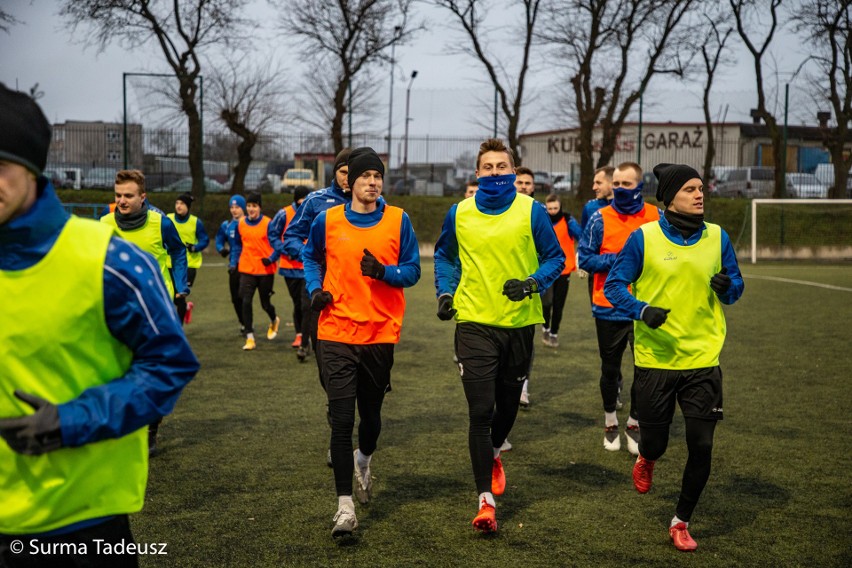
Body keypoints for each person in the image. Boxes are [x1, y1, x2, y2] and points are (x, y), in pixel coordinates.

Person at [0, 82, 198, 567]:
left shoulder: (108, 258)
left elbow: (170, 365)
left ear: (30, 170)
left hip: (82, 525)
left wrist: (71, 421)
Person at [604, 163, 744, 552]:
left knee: (701, 445)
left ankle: (681, 520)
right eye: (689, 189)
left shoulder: (718, 237)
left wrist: (727, 286)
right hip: (656, 360)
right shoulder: (643, 238)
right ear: (668, 198)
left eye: (701, 188)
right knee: (657, 443)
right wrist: (641, 309)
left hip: (703, 359)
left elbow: (736, 289)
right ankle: (646, 457)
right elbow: (614, 286)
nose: (700, 195)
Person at [434, 138, 564, 534]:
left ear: (513, 171)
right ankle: (484, 501)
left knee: (505, 409)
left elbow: (556, 259)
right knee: (479, 410)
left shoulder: (532, 212)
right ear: (477, 174)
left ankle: (493, 453)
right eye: (487, 167)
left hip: (519, 324)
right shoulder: (459, 213)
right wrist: (445, 292)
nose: (494, 173)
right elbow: (445, 256)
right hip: (473, 322)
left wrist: (530, 284)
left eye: (501, 167)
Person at [302, 147, 420, 538]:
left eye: (378, 176)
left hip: (378, 334)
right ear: (349, 181)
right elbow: (311, 256)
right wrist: (316, 289)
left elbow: (413, 271)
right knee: (340, 420)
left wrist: (385, 272)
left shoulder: (399, 220)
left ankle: (363, 460)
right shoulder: (327, 219)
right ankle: (344, 508)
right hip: (335, 330)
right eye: (365, 176)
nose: (372, 182)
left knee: (370, 419)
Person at [101, 168, 190, 454]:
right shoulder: (103, 223)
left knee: (152, 373)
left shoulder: (160, 222)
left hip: (156, 310)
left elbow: (177, 252)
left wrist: (180, 286)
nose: (122, 201)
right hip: (116, 311)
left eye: (128, 195)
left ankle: (151, 429)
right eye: (118, 196)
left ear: (143, 197)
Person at [578, 162, 661, 455]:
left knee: (644, 370)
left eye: (626, 184)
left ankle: (635, 423)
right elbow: (584, 259)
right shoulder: (599, 219)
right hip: (608, 306)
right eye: (616, 184)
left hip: (643, 308)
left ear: (640, 186)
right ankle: (611, 421)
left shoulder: (656, 216)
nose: (620, 189)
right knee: (610, 370)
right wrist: (618, 260)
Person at [283, 149, 350, 466]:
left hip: (362, 300)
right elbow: (292, 238)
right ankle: (338, 430)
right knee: (330, 372)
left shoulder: (377, 206)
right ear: (335, 172)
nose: (350, 178)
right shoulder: (316, 202)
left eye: (358, 172)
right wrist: (315, 254)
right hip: (323, 298)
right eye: (344, 171)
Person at [268, 186, 312, 358]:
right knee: (297, 304)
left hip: (309, 267)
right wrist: (286, 250)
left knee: (306, 305)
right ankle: (299, 334)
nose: (304, 203)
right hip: (289, 269)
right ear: (296, 199)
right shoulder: (284, 214)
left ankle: (305, 341)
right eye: (301, 199)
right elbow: (272, 234)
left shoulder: (315, 210)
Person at [234, 191, 279, 351]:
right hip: (246, 269)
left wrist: (271, 258)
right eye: (249, 206)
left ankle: (274, 320)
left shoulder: (268, 223)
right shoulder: (241, 223)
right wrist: (235, 261)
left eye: (254, 206)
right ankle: (250, 337)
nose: (251, 209)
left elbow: (277, 245)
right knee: (245, 301)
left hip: (265, 270)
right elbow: (237, 245)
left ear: (259, 207)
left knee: (265, 304)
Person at [541, 193, 582, 348]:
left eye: (555, 208)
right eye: (550, 208)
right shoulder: (543, 221)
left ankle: (554, 333)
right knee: (547, 303)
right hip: (546, 270)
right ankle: (545, 327)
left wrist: (581, 259)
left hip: (564, 271)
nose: (552, 211)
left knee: (559, 305)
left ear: (560, 207)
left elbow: (582, 237)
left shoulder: (568, 221)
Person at [167, 192, 209, 324]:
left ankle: (178, 327)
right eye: (177, 203)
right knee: (173, 297)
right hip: (169, 263)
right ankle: (186, 307)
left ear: (188, 206)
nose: (179, 206)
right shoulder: (168, 219)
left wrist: (195, 247)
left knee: (180, 295)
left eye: (182, 204)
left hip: (189, 265)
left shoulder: (196, 222)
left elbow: (205, 240)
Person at [215, 195, 247, 334]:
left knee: (245, 297)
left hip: (247, 266)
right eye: (232, 207)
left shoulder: (249, 222)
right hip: (233, 266)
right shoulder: (226, 225)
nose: (234, 210)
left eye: (237, 207)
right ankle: (243, 322)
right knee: (235, 298)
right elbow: (219, 239)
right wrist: (221, 249)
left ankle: (248, 325)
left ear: (243, 208)